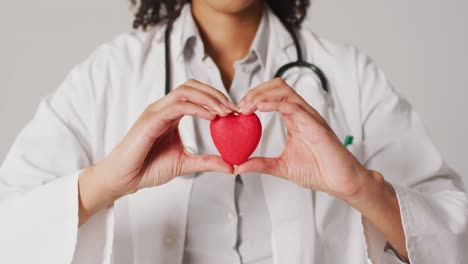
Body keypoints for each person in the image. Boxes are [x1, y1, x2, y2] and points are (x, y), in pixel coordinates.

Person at [0, 0, 467, 263]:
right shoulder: (106, 76)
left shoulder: (350, 76)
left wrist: (362, 188)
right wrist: (101, 185)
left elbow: (456, 243)